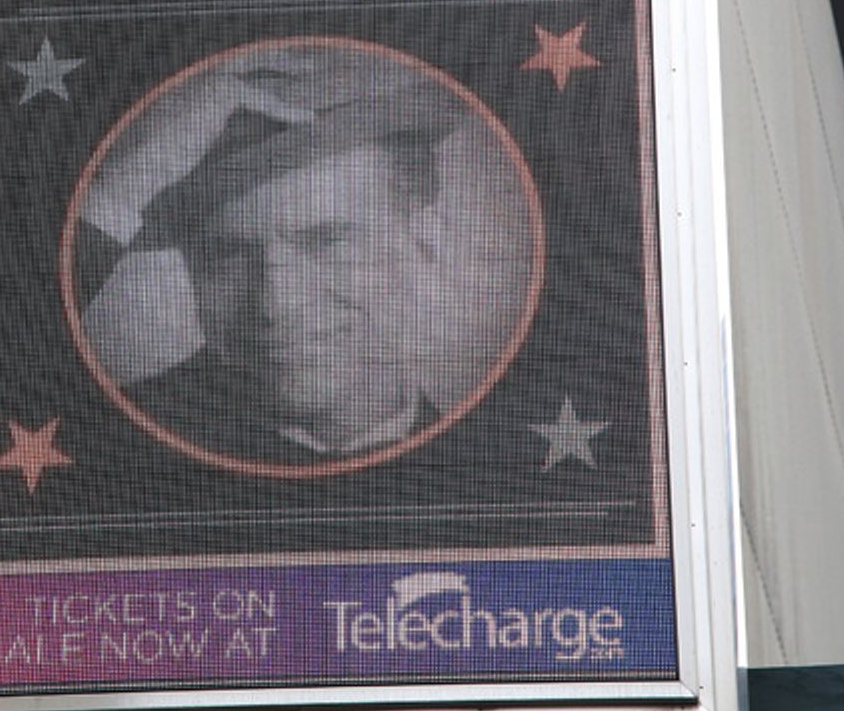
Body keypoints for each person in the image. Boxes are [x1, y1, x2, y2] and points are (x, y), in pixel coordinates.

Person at [73, 45, 540, 468]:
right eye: (229, 255)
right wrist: (119, 187)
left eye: (328, 241)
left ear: (425, 244)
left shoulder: (505, 462)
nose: (277, 302)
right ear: (192, 271)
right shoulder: (108, 448)